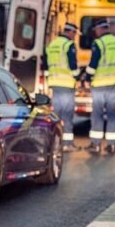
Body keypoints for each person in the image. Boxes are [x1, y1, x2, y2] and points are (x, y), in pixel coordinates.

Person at [84, 19, 115, 154]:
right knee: (112, 114)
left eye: (96, 30)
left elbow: (93, 64)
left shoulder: (99, 43)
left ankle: (96, 144)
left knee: (97, 114)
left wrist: (87, 77)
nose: (95, 32)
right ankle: (112, 145)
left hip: (100, 84)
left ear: (100, 29)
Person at [42, 22, 81, 151]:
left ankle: (53, 142)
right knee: (67, 114)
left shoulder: (52, 45)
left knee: (56, 114)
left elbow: (46, 65)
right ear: (70, 32)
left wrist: (49, 79)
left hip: (54, 84)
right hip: (67, 84)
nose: (74, 36)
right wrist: (78, 77)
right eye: (74, 33)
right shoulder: (68, 45)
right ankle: (67, 144)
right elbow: (72, 65)